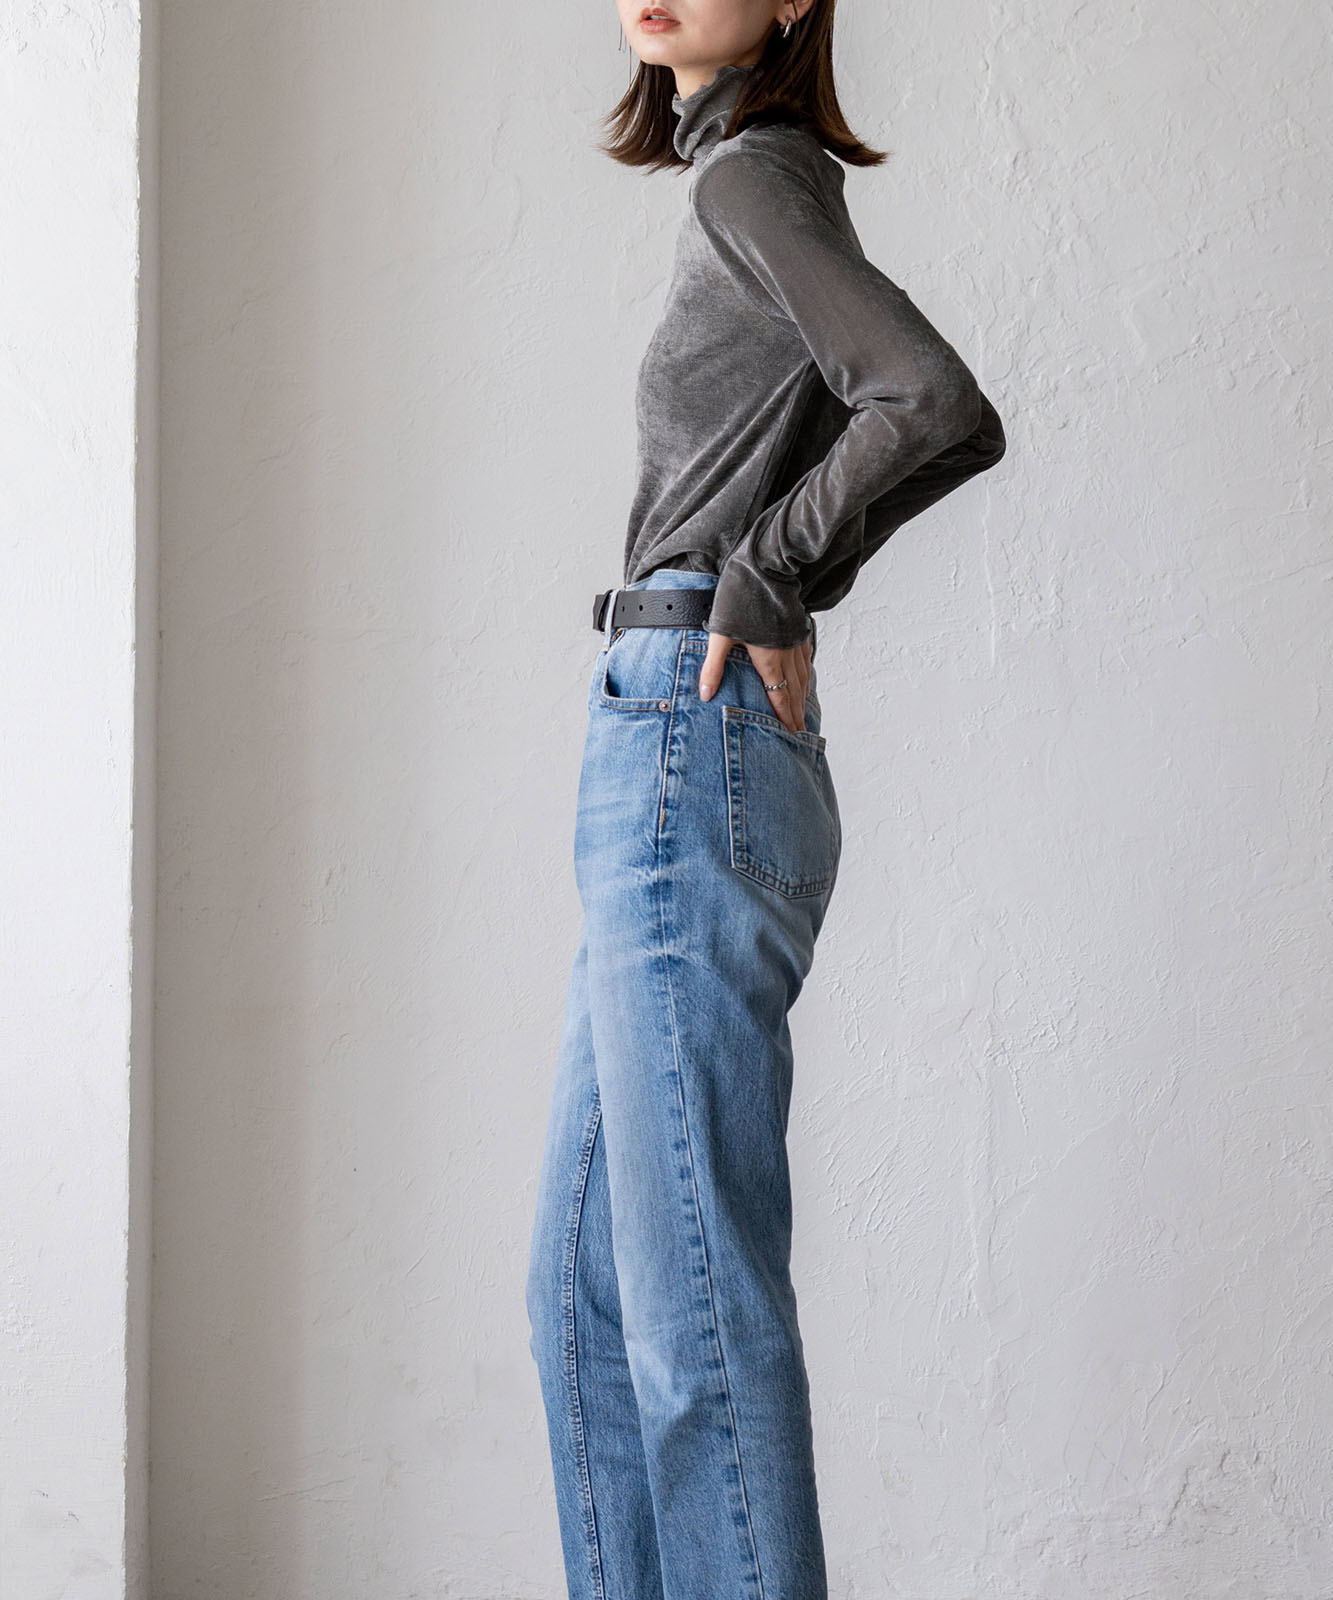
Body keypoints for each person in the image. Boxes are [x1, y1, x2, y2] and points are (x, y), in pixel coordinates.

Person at [525, 4, 1008, 1596]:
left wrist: (770, 574)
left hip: (688, 730)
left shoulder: (754, 174)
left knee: (688, 1308)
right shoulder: (740, 177)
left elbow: (932, 402)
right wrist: (772, 578)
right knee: (586, 1298)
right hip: (664, 726)